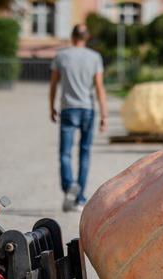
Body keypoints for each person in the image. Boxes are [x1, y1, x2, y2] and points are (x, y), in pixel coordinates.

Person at [49, 24, 107, 212]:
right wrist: (104, 114)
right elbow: (99, 87)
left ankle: (69, 186)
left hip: (68, 109)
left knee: (65, 152)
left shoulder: (61, 56)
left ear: (72, 36)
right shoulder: (94, 57)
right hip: (87, 110)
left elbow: (54, 84)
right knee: (84, 152)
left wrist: (51, 106)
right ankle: (80, 198)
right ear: (87, 37)